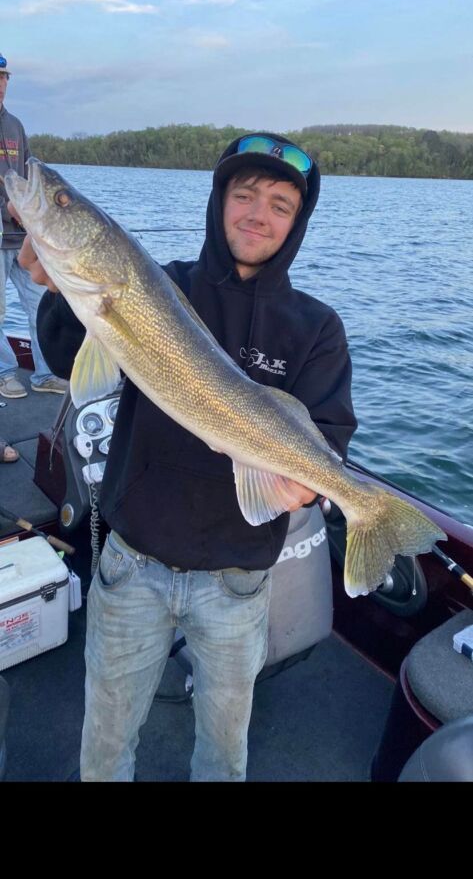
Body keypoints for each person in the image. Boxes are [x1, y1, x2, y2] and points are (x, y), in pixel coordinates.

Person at [15, 131, 357, 781]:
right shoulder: (160, 284)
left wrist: (310, 483)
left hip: (238, 582)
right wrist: (61, 290)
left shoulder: (316, 329)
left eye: (280, 204)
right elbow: (66, 360)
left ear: (297, 222)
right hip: (130, 567)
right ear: (218, 200)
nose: (258, 213)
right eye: (244, 193)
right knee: (106, 745)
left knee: (224, 756)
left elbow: (328, 433)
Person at [0, 53, 67, 398]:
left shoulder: (15, 125)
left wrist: (32, 219)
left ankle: (45, 373)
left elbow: (26, 176)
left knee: (39, 304)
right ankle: (4, 372)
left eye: (2, 78)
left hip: (23, 238)